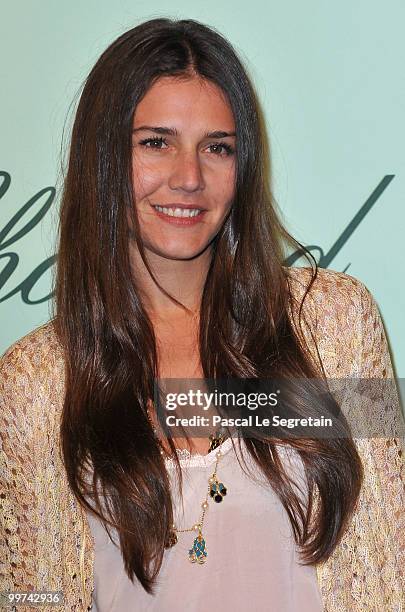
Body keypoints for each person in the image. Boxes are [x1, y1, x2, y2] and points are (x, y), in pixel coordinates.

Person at [0, 17, 404, 612]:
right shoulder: (34, 381)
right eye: (155, 142)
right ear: (104, 158)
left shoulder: (337, 323)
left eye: (217, 148)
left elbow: (387, 558)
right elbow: (34, 596)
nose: (189, 178)